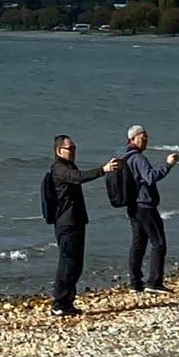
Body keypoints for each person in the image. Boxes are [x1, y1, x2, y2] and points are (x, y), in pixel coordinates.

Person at [47, 134, 121, 317]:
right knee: (67, 262)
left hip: (76, 220)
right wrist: (103, 170)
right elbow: (79, 177)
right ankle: (59, 303)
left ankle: (67, 302)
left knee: (76, 264)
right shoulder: (59, 169)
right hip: (66, 223)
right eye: (69, 149)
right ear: (59, 151)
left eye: (74, 148)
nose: (73, 152)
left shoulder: (69, 166)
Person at [120, 124, 179, 294]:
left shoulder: (124, 156)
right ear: (132, 139)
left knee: (138, 243)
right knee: (159, 243)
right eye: (142, 137)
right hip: (144, 206)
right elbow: (151, 177)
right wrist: (168, 165)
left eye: (146, 137)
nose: (145, 140)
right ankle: (154, 282)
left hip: (133, 206)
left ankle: (135, 283)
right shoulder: (138, 158)